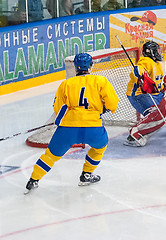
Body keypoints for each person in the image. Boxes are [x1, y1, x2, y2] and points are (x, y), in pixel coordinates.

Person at [24, 53, 119, 194]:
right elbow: (113, 104)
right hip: (93, 128)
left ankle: (33, 180)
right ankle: (87, 174)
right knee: (100, 147)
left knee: (50, 155)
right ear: (91, 66)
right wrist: (102, 109)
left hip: (68, 129)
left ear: (75, 67)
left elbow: (58, 108)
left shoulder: (66, 84)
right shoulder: (100, 81)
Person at [124, 41, 166, 147]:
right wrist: (141, 76)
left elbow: (156, 85)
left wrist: (165, 88)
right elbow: (137, 70)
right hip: (140, 95)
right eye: (157, 51)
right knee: (157, 114)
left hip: (154, 94)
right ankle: (135, 135)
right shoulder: (146, 61)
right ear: (151, 52)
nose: (159, 53)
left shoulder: (157, 64)